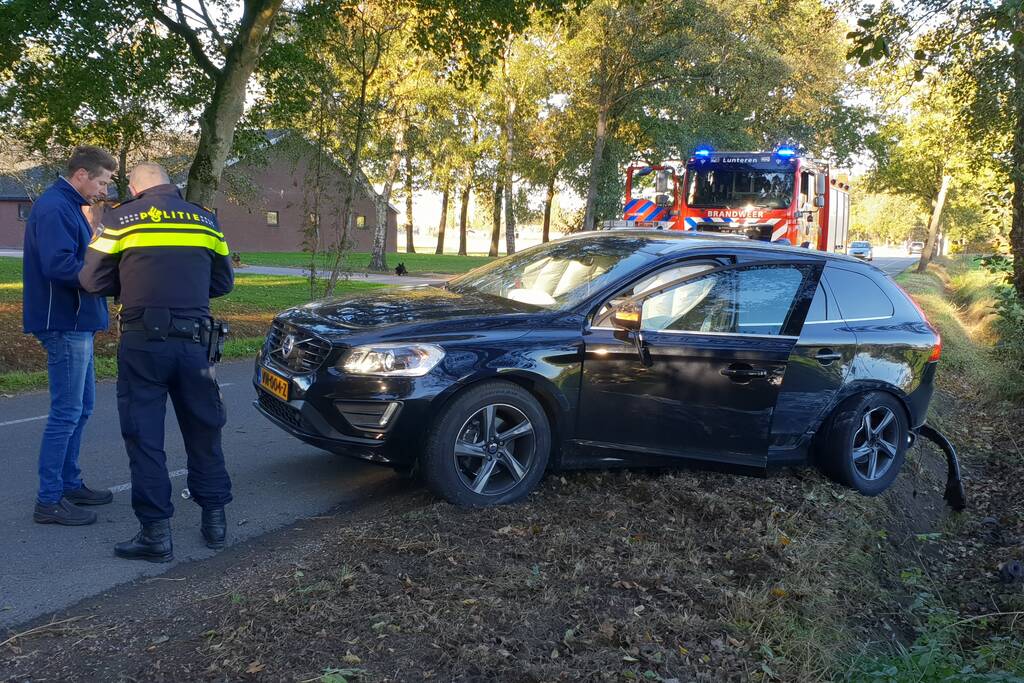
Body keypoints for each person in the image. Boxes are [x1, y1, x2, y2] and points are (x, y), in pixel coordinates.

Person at [78, 162, 234, 563]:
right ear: (171, 184)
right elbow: (223, 283)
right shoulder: (206, 221)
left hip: (143, 343)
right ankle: (215, 524)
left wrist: (130, 281)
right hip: (196, 341)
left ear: (135, 186)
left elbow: (92, 280)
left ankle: (156, 535)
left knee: (145, 438)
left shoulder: (120, 219)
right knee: (204, 429)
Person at [23, 146, 117, 526]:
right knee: (66, 412)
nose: (103, 190)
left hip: (77, 322)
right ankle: (48, 501)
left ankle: (69, 483)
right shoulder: (54, 208)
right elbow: (60, 265)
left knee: (82, 408)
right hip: (64, 323)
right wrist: (109, 274)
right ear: (81, 174)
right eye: (101, 181)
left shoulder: (66, 206)